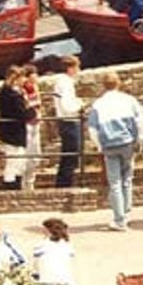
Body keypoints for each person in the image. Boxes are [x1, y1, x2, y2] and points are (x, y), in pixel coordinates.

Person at [87, 70, 143, 232]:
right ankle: (126, 213)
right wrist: (139, 139)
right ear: (118, 83)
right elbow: (140, 120)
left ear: (103, 85)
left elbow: (92, 129)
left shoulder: (98, 104)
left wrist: (98, 145)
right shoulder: (128, 100)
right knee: (127, 178)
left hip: (109, 144)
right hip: (127, 142)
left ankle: (119, 218)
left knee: (115, 182)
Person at [0, 66, 36, 191]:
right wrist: (31, 111)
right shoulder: (12, 95)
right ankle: (11, 185)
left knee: (18, 160)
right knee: (14, 160)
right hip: (13, 131)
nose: (24, 80)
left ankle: (14, 183)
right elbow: (21, 113)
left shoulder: (7, 93)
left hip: (11, 131)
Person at [51, 55, 83, 188]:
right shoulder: (65, 83)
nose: (78, 70)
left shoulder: (62, 82)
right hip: (68, 121)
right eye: (77, 67)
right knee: (71, 154)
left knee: (69, 154)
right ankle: (65, 183)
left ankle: (63, 182)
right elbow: (67, 105)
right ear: (70, 68)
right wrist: (80, 105)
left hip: (66, 120)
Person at [32, 218, 77, 285]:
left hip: (47, 283)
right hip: (68, 284)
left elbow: (35, 269)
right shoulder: (68, 246)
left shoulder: (40, 246)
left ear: (47, 231)